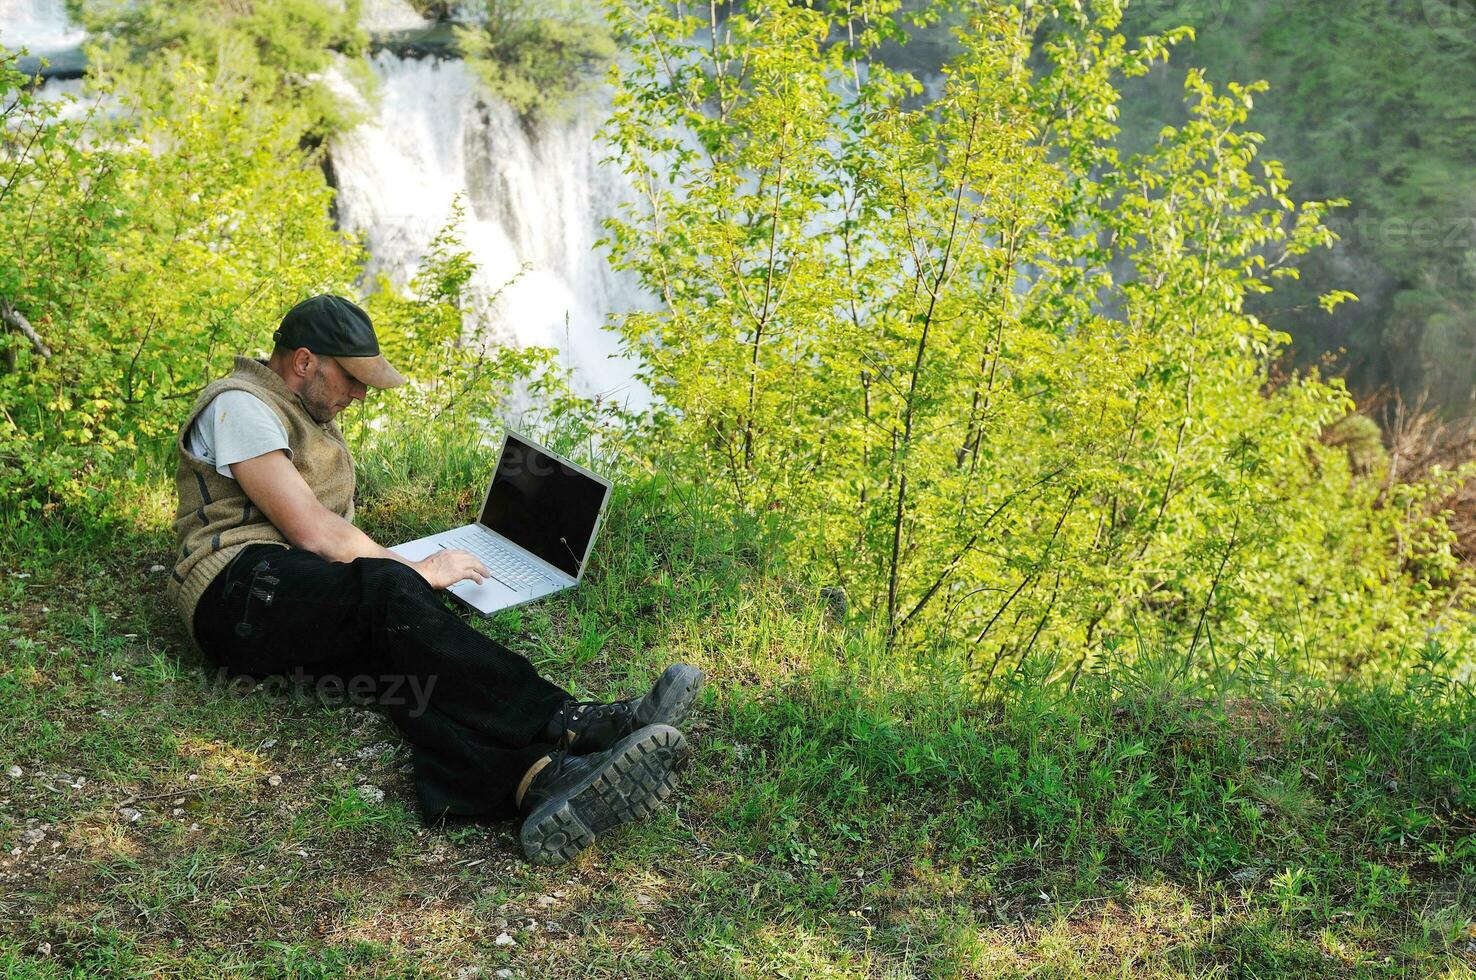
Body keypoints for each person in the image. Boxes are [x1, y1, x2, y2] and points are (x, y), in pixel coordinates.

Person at [167, 294, 703, 865]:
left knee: (409, 663)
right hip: (236, 589)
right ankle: (571, 721)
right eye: (351, 379)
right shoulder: (240, 405)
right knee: (391, 592)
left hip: (285, 599)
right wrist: (416, 570)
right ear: (304, 362)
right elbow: (311, 531)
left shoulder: (299, 410)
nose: (359, 395)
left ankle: (539, 782)